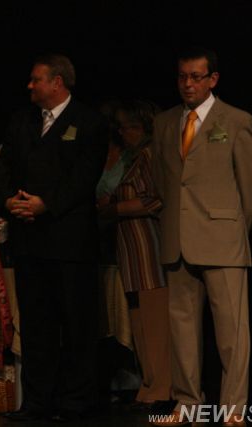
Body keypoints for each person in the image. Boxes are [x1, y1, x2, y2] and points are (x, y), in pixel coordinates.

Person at [150, 47, 252, 427]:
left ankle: (234, 409)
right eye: (183, 76)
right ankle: (188, 406)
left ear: (212, 79)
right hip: (178, 240)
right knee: (182, 332)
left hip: (223, 239)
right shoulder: (165, 122)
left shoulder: (236, 120)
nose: (188, 84)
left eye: (196, 77)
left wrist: (233, 228)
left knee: (232, 332)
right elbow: (164, 181)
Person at [0, 53, 107, 422]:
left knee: (76, 324)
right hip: (29, 241)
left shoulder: (89, 121)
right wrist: (9, 199)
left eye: (36, 79)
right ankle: (36, 402)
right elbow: (2, 166)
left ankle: (76, 401)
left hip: (70, 242)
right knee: (36, 326)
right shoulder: (21, 120)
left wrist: (47, 204)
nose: (30, 85)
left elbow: (84, 177)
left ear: (57, 83)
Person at [97, 99, 171, 409]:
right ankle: (150, 384)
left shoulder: (150, 155)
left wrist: (112, 210)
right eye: (122, 127)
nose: (125, 133)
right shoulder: (132, 158)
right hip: (130, 251)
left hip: (148, 247)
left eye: (132, 127)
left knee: (155, 320)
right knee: (140, 320)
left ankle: (162, 387)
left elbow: (156, 199)